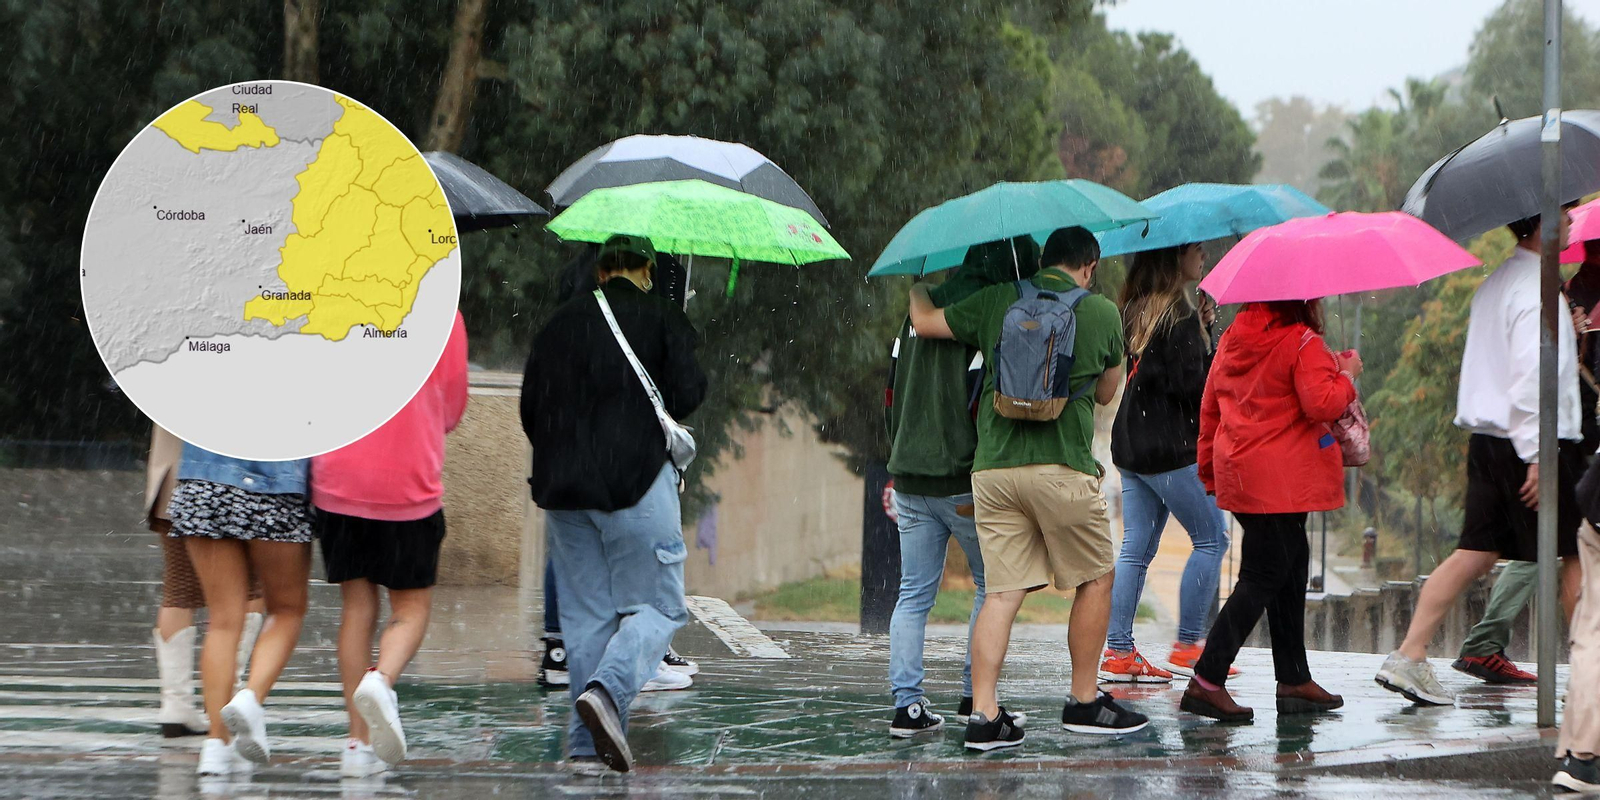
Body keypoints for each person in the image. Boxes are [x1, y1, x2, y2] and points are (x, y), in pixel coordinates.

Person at [909, 226, 1148, 752]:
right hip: (1060, 466)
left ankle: (985, 715)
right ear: (1088, 264)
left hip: (993, 469)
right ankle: (1084, 701)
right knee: (1096, 578)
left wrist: (916, 280)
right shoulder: (1100, 311)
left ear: (1044, 260)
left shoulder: (999, 299)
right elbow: (1108, 395)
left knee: (1001, 593)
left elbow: (923, 322)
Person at [1376, 211, 1586, 707]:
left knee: (1477, 551)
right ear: (1539, 226)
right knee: (1577, 551)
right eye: (1563, 211)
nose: (1572, 218)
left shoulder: (1498, 282)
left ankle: (1410, 653)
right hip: (1531, 442)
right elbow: (1534, 376)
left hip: (1490, 440)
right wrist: (1540, 456)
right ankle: (1588, 664)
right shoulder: (1536, 290)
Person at [520, 235, 707, 773]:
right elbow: (689, 392)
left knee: (586, 622)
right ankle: (610, 688)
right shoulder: (661, 315)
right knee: (661, 606)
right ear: (646, 268)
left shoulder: (558, 324)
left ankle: (584, 750)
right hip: (635, 482)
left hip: (564, 490)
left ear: (600, 270)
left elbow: (531, 410)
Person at [884, 237, 1038, 737]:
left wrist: (898, 451)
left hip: (908, 474)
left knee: (912, 595)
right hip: (962, 479)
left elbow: (890, 392)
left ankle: (907, 708)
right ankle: (978, 696)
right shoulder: (988, 315)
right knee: (991, 588)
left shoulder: (918, 310)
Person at [1179, 298, 1354, 722]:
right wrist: (1346, 376)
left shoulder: (1233, 338)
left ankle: (1294, 678)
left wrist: (1209, 469)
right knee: (1264, 575)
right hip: (1281, 480)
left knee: (1292, 564)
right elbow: (1322, 403)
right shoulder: (1301, 341)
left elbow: (1210, 407)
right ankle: (1207, 680)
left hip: (1243, 472)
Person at [310, 312, 467, 777]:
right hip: (406, 481)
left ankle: (356, 747)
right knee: (410, 611)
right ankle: (381, 680)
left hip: (338, 471)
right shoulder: (441, 311)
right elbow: (453, 408)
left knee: (357, 609)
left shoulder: (333, 292)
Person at [1101, 243, 1232, 683]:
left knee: (1136, 548)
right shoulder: (1179, 316)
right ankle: (1189, 644)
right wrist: (1206, 343)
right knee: (1212, 538)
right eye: (1197, 251)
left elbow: (1160, 372)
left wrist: (1200, 332)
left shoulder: (1138, 308)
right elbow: (1194, 389)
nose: (1203, 257)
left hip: (1132, 444)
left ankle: (1118, 650)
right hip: (1168, 449)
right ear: (1176, 258)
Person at [169, 446, 313, 775]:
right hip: (276, 486)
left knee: (222, 623)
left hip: (203, 483)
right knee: (287, 610)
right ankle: (250, 698)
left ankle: (215, 747)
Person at [144, 424, 264, 739]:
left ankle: (176, 705)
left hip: (172, 477)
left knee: (178, 591)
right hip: (233, 479)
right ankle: (230, 696)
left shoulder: (158, 373)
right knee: (247, 587)